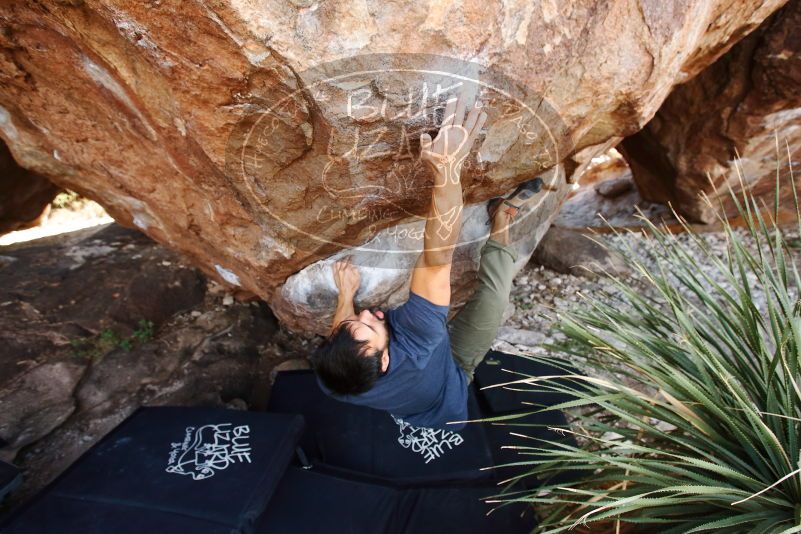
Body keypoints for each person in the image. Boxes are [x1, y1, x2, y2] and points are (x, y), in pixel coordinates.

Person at [311, 88, 542, 430]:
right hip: (453, 377)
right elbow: (436, 257)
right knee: (495, 296)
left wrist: (346, 294)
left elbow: (343, 336)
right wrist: (447, 170)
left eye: (352, 322)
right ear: (386, 359)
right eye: (370, 325)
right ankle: (502, 216)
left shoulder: (335, 381)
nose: (365, 314)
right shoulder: (419, 339)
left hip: (418, 383)